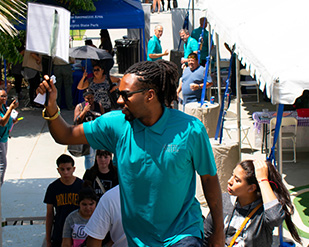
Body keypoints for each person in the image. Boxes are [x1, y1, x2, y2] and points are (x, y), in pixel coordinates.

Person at [36, 60, 224, 246]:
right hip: (138, 240)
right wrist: (51, 106)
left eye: (125, 95)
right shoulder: (116, 125)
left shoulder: (191, 130)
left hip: (183, 234)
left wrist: (218, 231)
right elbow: (66, 134)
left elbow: (209, 179)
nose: (119, 101)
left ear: (150, 95)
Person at [203, 160, 302, 247]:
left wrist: (263, 180)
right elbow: (207, 232)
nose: (230, 181)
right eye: (232, 175)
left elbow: (275, 218)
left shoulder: (263, 211)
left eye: (237, 180)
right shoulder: (223, 200)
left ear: (251, 188)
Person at [44, 154, 83, 247]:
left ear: (73, 169)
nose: (65, 172)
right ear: (58, 170)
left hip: (78, 231)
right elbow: (49, 214)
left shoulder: (82, 185)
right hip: (59, 232)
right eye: (62, 169)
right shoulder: (53, 188)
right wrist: (48, 239)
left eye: (68, 169)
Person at [74, 88, 104, 170]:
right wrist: (84, 112)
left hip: (97, 135)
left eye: (91, 97)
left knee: (100, 155)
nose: (90, 100)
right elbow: (76, 121)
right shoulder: (80, 106)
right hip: (87, 136)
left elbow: (104, 119)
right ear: (84, 98)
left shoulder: (98, 105)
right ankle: (90, 173)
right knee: (89, 156)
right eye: (88, 98)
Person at [0, 90, 19, 185]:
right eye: (2, 96)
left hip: (4, 138)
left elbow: (7, 120)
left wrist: (13, 121)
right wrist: (10, 109)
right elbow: (3, 122)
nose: (5, 98)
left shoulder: (3, 107)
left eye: (5, 96)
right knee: (2, 165)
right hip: (0, 140)